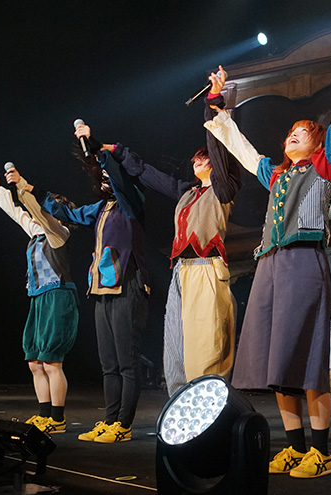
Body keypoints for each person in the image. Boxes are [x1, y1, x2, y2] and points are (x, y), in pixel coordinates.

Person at [205, 44, 331, 479]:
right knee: (278, 362)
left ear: (316, 143)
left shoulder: (325, 167)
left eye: (302, 131)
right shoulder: (275, 175)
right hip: (270, 266)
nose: (292, 135)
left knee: (306, 359)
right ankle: (294, 447)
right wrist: (216, 102)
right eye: (290, 132)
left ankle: (322, 451)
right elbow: (237, 145)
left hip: (302, 263)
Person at [109, 86, 242, 396]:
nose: (198, 163)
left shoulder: (223, 191)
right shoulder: (187, 193)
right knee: (176, 341)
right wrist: (117, 152)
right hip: (181, 272)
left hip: (206, 268)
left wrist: (213, 106)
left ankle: (206, 403)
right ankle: (181, 401)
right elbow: (146, 173)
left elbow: (221, 150)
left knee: (205, 344)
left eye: (203, 159)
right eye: (196, 160)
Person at [32, 127, 150, 444]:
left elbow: (122, 181)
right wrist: (34, 190)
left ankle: (123, 425)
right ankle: (110, 420)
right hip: (101, 291)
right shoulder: (100, 209)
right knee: (108, 364)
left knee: (127, 362)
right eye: (100, 178)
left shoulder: (131, 203)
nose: (103, 181)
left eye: (107, 176)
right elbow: (68, 212)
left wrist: (95, 148)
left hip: (127, 286)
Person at [0, 167, 78, 435]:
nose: (39, 213)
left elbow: (41, 215)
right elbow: (17, 213)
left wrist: (23, 189)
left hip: (58, 296)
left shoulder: (59, 233)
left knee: (51, 361)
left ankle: (58, 418)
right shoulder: (35, 233)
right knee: (34, 362)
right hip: (38, 297)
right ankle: (44, 414)